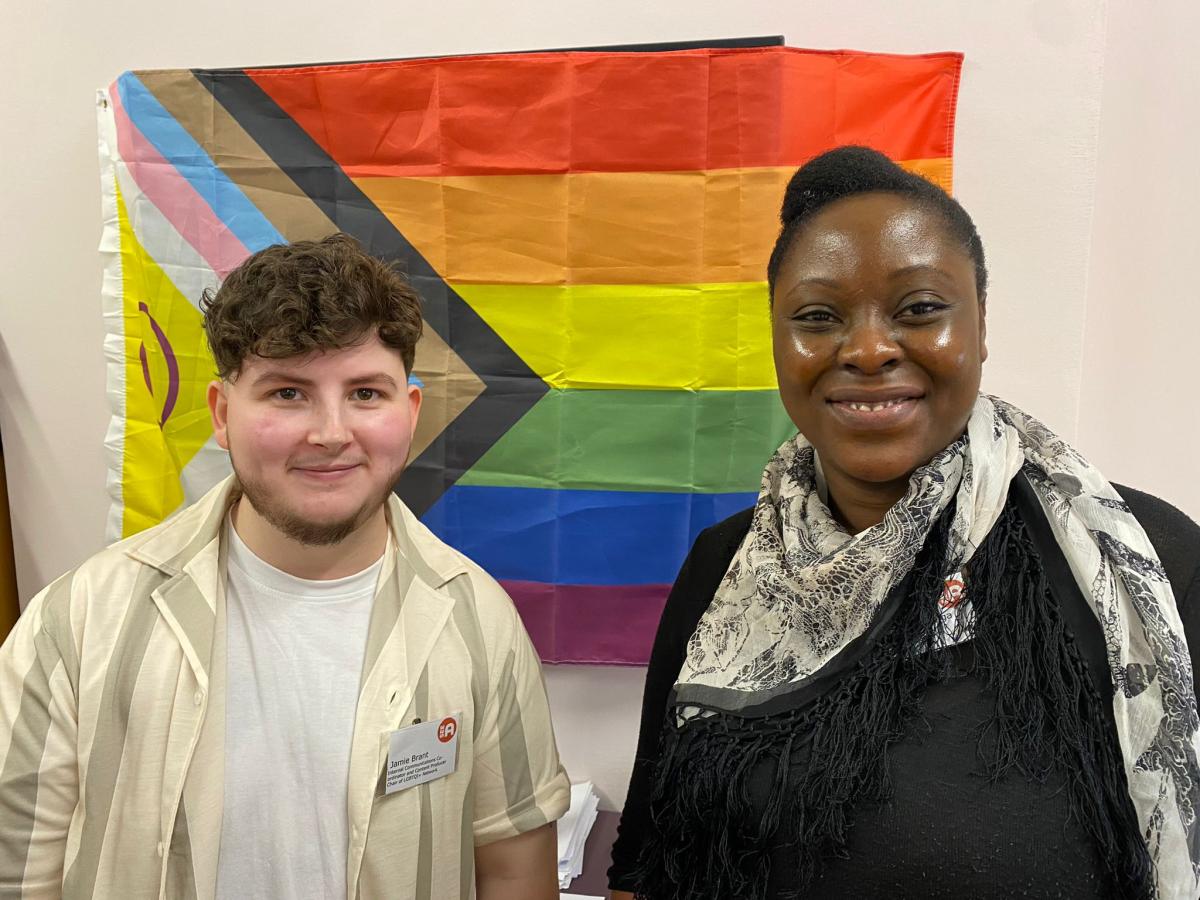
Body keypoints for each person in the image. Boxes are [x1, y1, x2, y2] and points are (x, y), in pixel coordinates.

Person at [608, 147, 1200, 900]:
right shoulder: (725, 566)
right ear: (778, 342)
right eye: (817, 318)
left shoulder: (1144, 565)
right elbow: (646, 859)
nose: (866, 350)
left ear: (980, 326)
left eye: (919, 309)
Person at [0, 234, 569, 899]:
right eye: (287, 394)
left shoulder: (480, 623)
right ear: (222, 413)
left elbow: (512, 874)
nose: (330, 433)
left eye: (364, 392)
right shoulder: (80, 621)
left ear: (408, 413)